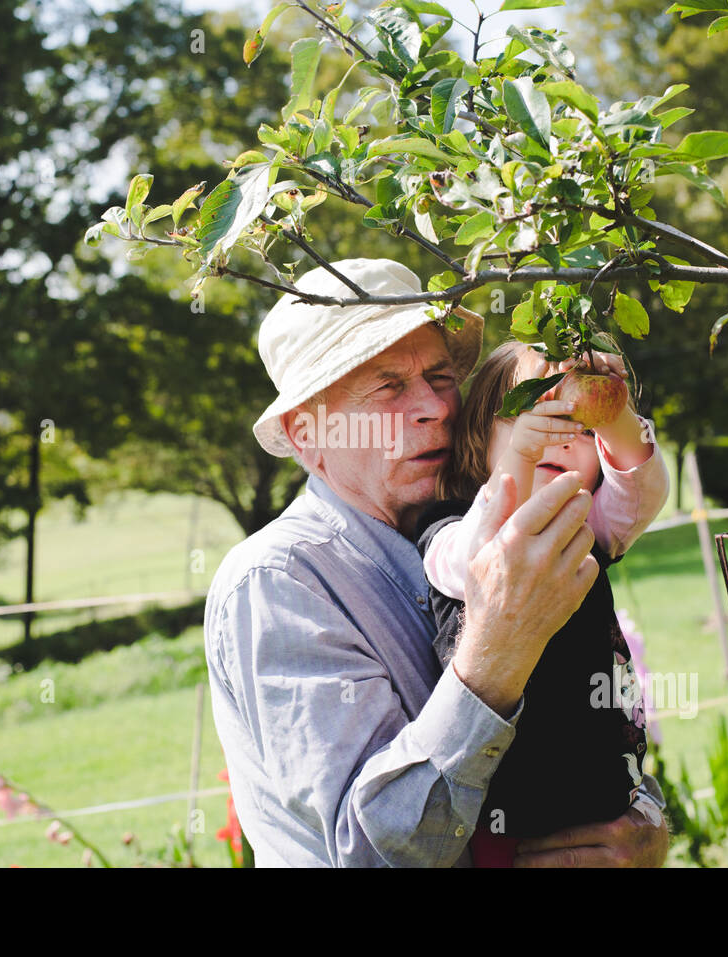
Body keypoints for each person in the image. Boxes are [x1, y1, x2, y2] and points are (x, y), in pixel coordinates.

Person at [203, 258, 669, 867]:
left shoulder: (517, 529)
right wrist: (500, 647)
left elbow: (582, 720)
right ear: (306, 433)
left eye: (442, 376)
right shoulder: (279, 582)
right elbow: (367, 852)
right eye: (389, 386)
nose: (436, 408)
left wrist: (643, 824)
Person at [414, 340, 670, 866]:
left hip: (603, 812)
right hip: (504, 820)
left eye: (579, 429)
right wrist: (518, 463)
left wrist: (616, 413)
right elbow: (479, 564)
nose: (557, 440)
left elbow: (643, 488)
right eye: (532, 421)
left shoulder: (585, 529)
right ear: (479, 440)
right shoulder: (447, 531)